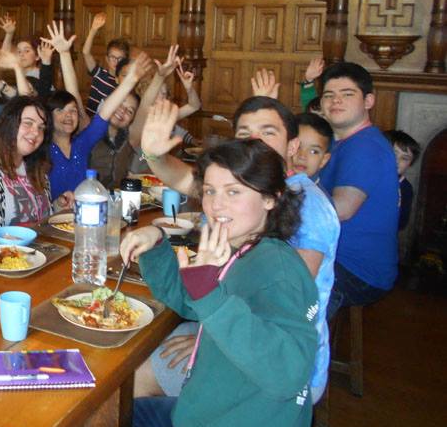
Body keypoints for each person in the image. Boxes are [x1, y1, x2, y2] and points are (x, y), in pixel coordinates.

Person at [84, 139, 318, 427]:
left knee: (95, 416)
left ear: (270, 198)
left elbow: (288, 375)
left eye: (233, 192)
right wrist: (157, 242)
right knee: (96, 415)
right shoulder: (246, 250)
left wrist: (209, 292)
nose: (216, 205)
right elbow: (194, 304)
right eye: (209, 191)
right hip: (211, 414)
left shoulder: (278, 272)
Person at [136, 96, 339, 405]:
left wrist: (211, 338)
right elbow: (187, 179)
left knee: (133, 375)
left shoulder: (308, 206)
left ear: (292, 146)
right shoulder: (241, 189)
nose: (255, 140)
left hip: (281, 372)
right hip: (235, 328)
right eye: (245, 133)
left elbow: (284, 304)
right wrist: (152, 153)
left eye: (268, 132)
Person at [319, 62, 399, 321]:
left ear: (368, 101)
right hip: (338, 256)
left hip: (356, 272)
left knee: (276, 285)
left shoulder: (365, 146)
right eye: (329, 95)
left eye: (347, 94)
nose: (336, 101)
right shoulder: (341, 141)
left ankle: (299, 339)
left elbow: (341, 210)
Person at [43, 19, 150, 202]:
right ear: (48, 116)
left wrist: (131, 80)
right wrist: (64, 54)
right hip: (51, 216)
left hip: (86, 213)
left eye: (73, 111)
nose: (68, 115)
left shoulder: (82, 143)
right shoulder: (42, 147)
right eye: (60, 110)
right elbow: (73, 93)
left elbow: (105, 112)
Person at [0, 96, 54, 229]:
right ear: (8, 124)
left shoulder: (37, 170)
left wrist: (58, 205)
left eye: (41, 128)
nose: (36, 132)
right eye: (28, 123)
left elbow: (44, 219)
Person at [88, 92, 141, 190]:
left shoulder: (129, 140)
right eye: (119, 103)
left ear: (132, 120)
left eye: (130, 111)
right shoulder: (87, 128)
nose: (123, 111)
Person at [81, 12, 131, 116]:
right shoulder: (99, 73)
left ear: (126, 61)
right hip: (89, 121)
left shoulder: (125, 85)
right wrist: (93, 30)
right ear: (107, 59)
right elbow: (86, 52)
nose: (116, 61)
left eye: (120, 58)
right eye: (113, 57)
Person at [383, 129, 420, 232]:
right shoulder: (367, 177)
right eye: (394, 153)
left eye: (404, 158)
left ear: (410, 164)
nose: (397, 161)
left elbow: (402, 223)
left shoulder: (405, 188)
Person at [292, 112, 333, 180]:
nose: (302, 156)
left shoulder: (315, 187)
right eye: (297, 147)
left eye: (313, 151)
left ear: (323, 160)